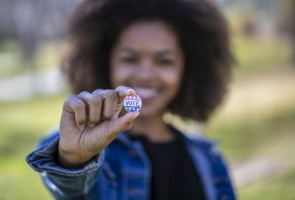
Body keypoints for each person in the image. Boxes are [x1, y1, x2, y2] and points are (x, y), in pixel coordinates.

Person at [26, 0, 235, 199]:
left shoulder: (210, 161)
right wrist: (72, 159)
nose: (145, 74)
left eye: (164, 61)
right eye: (130, 59)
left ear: (187, 69)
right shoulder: (85, 147)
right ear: (104, 63)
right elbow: (71, 190)